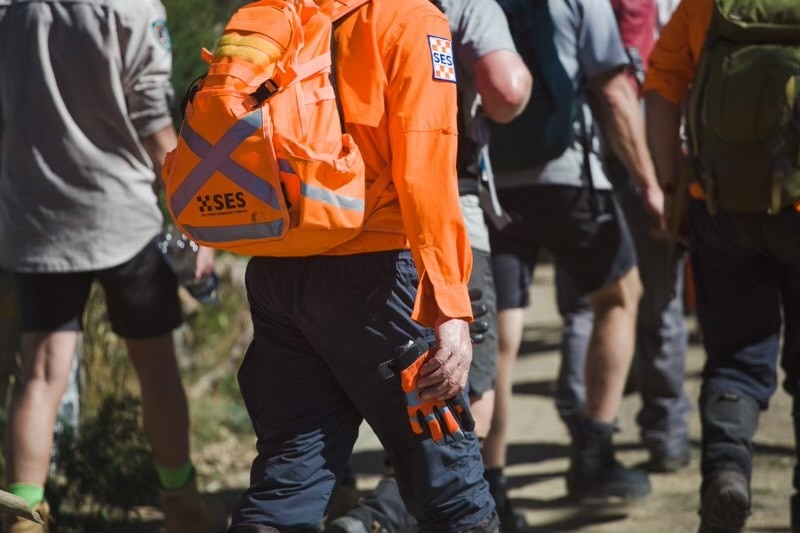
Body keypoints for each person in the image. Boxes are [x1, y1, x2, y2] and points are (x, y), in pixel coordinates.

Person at [224, 0, 497, 530]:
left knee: (288, 479)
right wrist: (448, 307)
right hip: (378, 284)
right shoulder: (412, 19)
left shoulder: (282, 11)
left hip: (280, 277)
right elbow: (426, 173)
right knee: (454, 490)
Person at [0, 1, 225, 531]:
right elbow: (151, 117)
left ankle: (23, 517)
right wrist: (191, 208)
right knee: (156, 369)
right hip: (122, 218)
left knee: (41, 371)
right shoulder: (130, 7)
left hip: (38, 217)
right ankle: (182, 503)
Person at [323, 0, 532, 531]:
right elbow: (506, 89)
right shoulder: (459, 6)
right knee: (462, 387)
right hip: (435, 215)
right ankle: (386, 517)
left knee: (327, 388)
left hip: (319, 221)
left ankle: (348, 496)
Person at [484, 0, 665, 503]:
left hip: (488, 183)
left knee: (499, 332)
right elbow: (612, 90)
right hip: (567, 178)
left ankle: (490, 486)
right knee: (619, 296)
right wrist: (649, 182)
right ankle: (594, 455)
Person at [645, 1, 800, 531]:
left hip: (721, 204)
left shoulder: (706, 4)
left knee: (734, 356)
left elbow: (663, 88)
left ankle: (727, 472)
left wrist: (670, 191)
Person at [553, 0, 691, 474]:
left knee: (582, 308)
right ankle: (665, 431)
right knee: (659, 300)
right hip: (648, 148)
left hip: (578, 161)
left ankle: (583, 428)